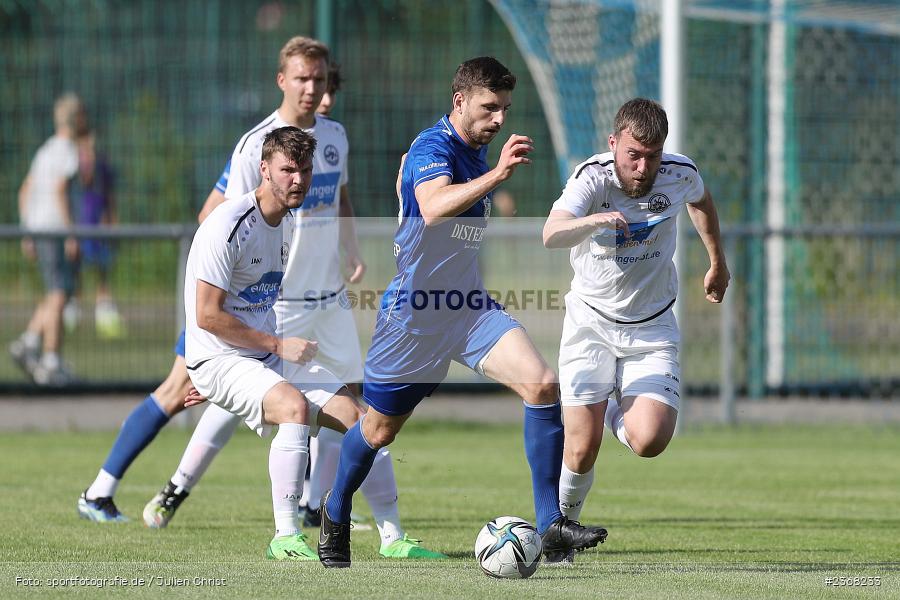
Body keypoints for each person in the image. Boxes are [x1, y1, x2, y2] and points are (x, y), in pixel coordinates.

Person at [142, 37, 443, 560]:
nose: (299, 180)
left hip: (262, 348)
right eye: (288, 171)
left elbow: (258, 301)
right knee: (291, 406)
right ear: (264, 169)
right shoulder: (227, 226)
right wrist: (237, 363)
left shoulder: (285, 221)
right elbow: (208, 316)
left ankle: (395, 538)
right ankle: (285, 534)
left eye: (304, 172)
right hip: (225, 352)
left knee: (364, 419)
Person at [316, 56, 608, 569]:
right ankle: (335, 508)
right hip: (414, 317)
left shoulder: (477, 153)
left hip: (469, 309)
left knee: (542, 383)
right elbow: (431, 206)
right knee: (379, 429)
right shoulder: (434, 146)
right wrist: (497, 175)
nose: (499, 119)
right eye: (489, 107)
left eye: (506, 109)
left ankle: (550, 524)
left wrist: (493, 174)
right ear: (460, 101)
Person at [542, 98, 730, 562]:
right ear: (614, 143)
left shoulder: (679, 173)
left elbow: (701, 200)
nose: (643, 167)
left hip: (652, 328)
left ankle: (609, 406)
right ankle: (560, 530)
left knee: (650, 441)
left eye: (653, 155)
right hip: (591, 324)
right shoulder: (592, 178)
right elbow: (551, 232)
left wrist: (717, 262)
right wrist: (594, 221)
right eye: (634, 155)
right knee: (581, 449)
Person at [10, 93, 88, 386]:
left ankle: (29, 342)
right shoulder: (67, 150)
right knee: (58, 295)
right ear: (76, 118)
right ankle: (50, 360)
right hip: (54, 230)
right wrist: (71, 232)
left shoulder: (44, 150)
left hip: (39, 228)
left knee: (58, 292)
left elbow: (24, 190)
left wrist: (26, 229)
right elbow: (59, 190)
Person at [66, 130, 126, 339]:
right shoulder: (73, 171)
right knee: (76, 277)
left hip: (98, 232)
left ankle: (105, 317)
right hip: (79, 230)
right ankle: (71, 318)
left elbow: (110, 200)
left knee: (102, 275)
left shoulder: (103, 171)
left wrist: (112, 223)